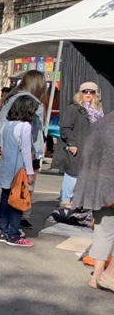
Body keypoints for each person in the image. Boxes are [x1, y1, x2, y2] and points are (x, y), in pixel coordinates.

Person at [72, 113, 114, 289]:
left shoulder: (102, 123)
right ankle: (108, 276)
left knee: (103, 231)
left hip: (98, 185)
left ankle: (96, 276)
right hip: (108, 183)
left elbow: (87, 155)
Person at [53, 82, 104, 208]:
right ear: (80, 93)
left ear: (96, 94)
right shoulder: (75, 108)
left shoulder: (99, 110)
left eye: (91, 92)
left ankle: (79, 201)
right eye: (85, 91)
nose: (88, 94)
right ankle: (66, 201)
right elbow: (65, 128)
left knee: (89, 175)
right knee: (73, 173)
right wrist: (72, 143)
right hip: (77, 146)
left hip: (94, 147)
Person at [0, 94, 37, 247]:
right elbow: (26, 150)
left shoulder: (6, 125)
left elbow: (3, 145)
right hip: (18, 167)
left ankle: (3, 230)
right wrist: (30, 172)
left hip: (5, 166)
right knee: (17, 200)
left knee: (5, 198)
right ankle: (13, 234)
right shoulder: (25, 126)